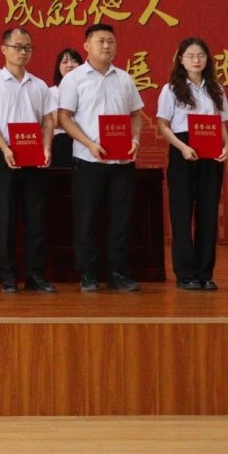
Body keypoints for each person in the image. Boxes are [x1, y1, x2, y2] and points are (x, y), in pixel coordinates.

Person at [57, 23, 145, 292]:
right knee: (87, 219)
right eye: (100, 41)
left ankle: (118, 273)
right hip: (89, 160)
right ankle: (88, 273)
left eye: (110, 41)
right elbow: (64, 117)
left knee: (120, 219)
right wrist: (89, 144)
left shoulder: (125, 78)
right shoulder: (74, 79)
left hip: (122, 161)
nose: (106, 46)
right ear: (87, 46)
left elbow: (136, 114)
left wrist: (135, 140)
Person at [0, 28, 57, 293]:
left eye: (27, 48)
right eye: (17, 47)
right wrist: (4, 148)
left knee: (36, 219)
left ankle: (36, 276)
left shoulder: (39, 85)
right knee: (6, 219)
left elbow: (48, 120)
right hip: (7, 156)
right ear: (3, 50)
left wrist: (46, 147)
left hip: (35, 157)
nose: (22, 52)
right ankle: (8, 277)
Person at [155, 37, 228, 291]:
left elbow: (221, 123)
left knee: (208, 214)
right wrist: (182, 147)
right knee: (181, 214)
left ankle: (205, 272)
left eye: (201, 55)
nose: (196, 60)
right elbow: (163, 125)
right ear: (181, 59)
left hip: (211, 153)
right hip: (183, 151)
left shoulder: (216, 89)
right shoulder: (171, 89)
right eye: (190, 56)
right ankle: (185, 273)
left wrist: (226, 145)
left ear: (207, 59)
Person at [49, 48, 84, 168]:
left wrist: (66, 117)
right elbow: (54, 121)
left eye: (74, 61)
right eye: (64, 62)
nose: (70, 65)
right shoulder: (51, 92)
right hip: (62, 142)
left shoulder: (88, 91)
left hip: (87, 140)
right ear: (58, 67)